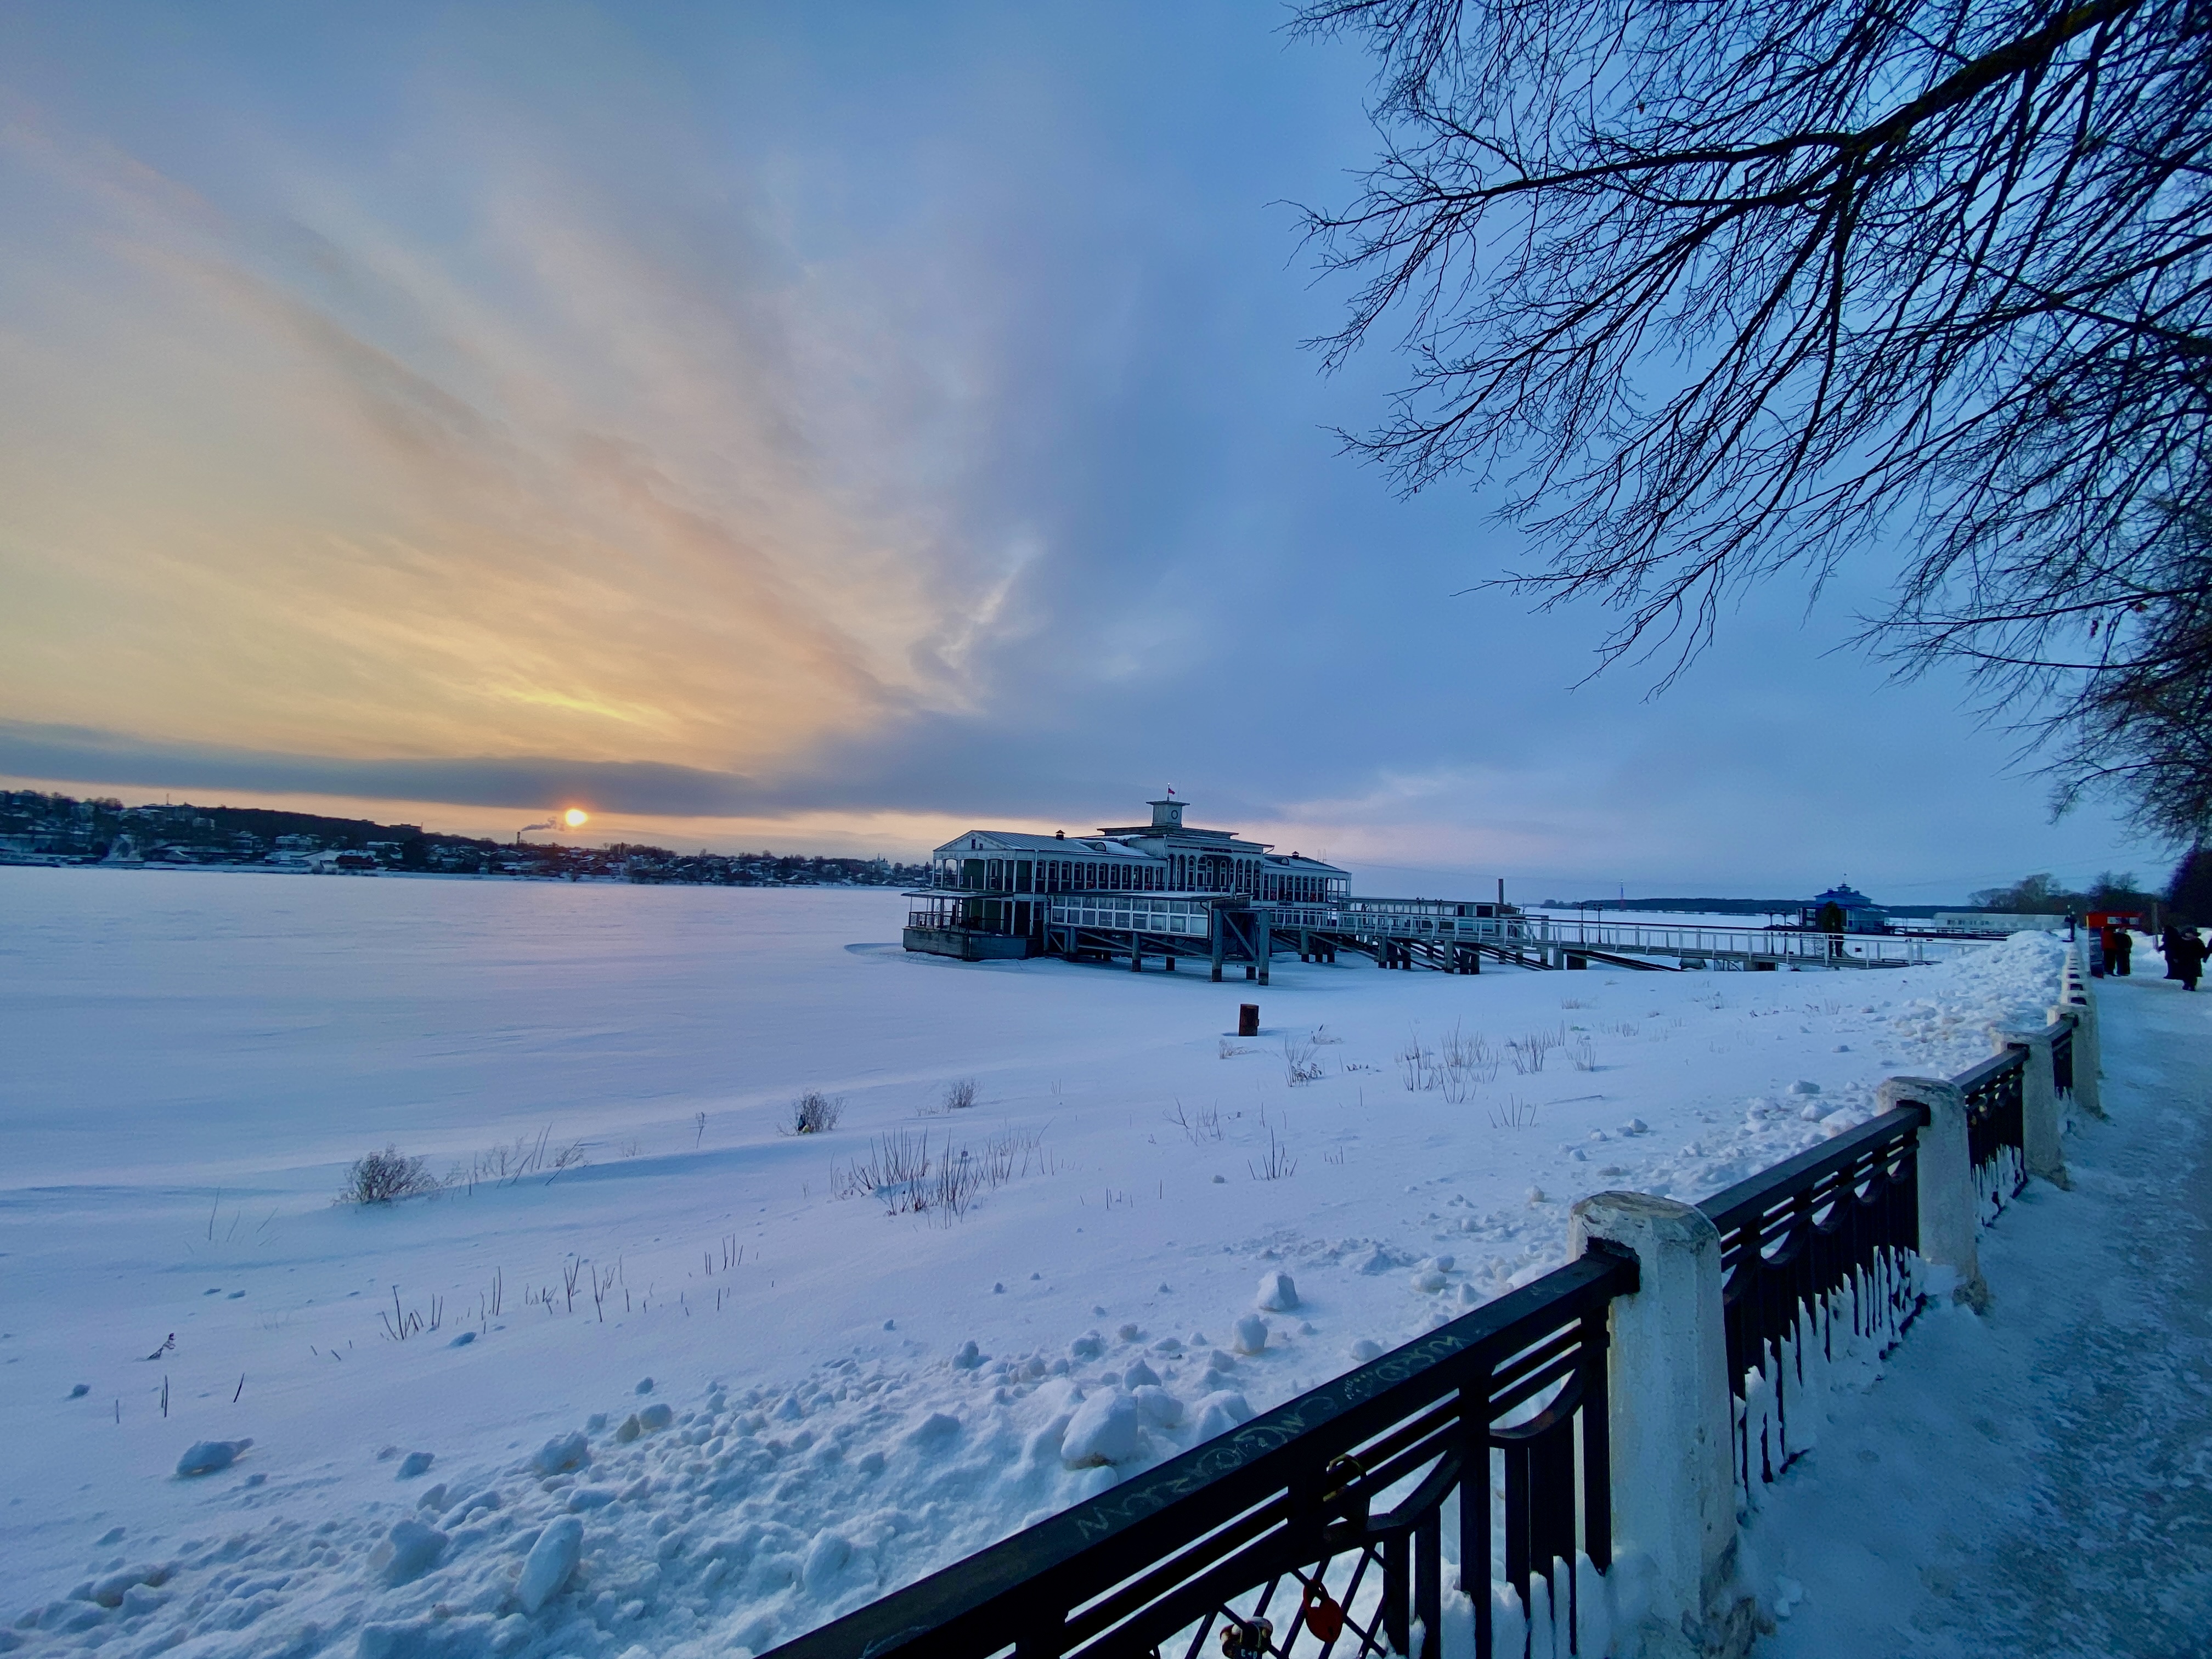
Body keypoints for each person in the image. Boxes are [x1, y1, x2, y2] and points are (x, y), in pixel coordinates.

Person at [2168, 925, 2206, 992]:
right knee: (2184, 973)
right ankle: (2187, 983)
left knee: (2193, 974)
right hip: (2183, 960)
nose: (2190, 935)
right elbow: (2174, 949)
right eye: (2189, 933)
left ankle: (2192, 985)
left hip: (2194, 961)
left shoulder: (2197, 941)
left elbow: (2202, 950)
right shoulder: (2179, 941)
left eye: (2192, 933)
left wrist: (2200, 955)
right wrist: (2175, 957)